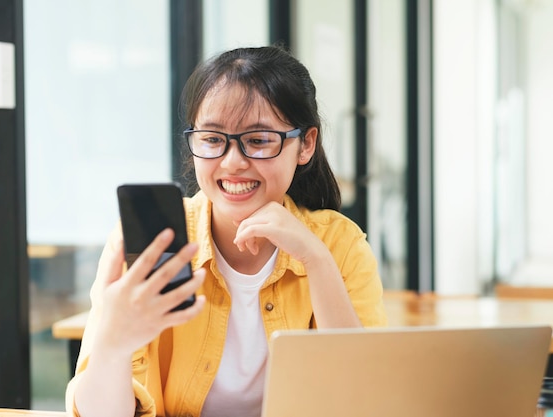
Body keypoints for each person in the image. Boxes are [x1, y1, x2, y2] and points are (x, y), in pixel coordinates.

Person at [65, 45, 387, 417]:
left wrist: (315, 259)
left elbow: (362, 399)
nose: (233, 162)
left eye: (259, 140)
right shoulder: (147, 244)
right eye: (213, 140)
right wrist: (111, 344)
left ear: (306, 144)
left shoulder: (340, 245)